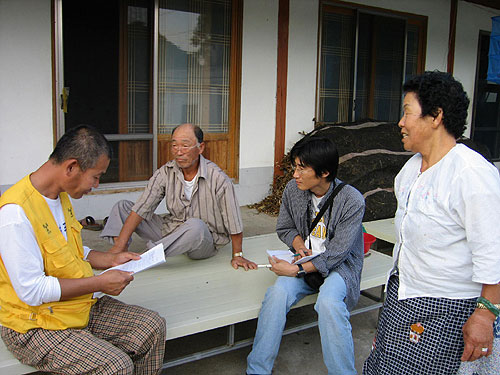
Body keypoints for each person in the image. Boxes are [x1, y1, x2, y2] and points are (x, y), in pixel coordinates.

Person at [363, 71, 500, 375]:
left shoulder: (471, 174)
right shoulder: (410, 170)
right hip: (402, 293)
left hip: (445, 308)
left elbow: (493, 253)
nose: (400, 122)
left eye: (407, 112)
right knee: (380, 367)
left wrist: (485, 316)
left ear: (435, 116)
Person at [0, 125, 166, 374]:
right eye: (96, 176)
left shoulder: (61, 196)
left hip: (76, 305)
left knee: (151, 327)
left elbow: (72, 249)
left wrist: (110, 259)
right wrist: (100, 284)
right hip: (35, 325)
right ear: (71, 167)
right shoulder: (15, 214)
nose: (97, 185)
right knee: (115, 366)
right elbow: (32, 291)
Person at [246, 136, 365, 375]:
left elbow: (337, 254)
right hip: (304, 260)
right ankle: (257, 370)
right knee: (277, 294)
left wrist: (297, 270)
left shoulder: (351, 200)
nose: (295, 174)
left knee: (329, 303)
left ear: (324, 172)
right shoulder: (294, 190)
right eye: (295, 167)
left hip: (339, 267)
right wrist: (299, 245)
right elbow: (285, 227)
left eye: (302, 168)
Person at [101, 123, 257, 270]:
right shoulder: (166, 172)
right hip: (172, 230)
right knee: (123, 207)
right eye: (174, 145)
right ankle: (121, 252)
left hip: (204, 242)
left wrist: (238, 255)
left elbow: (233, 220)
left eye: (185, 145)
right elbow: (143, 207)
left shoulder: (218, 178)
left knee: (196, 226)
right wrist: (119, 246)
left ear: (200, 147)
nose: (179, 151)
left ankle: (142, 259)